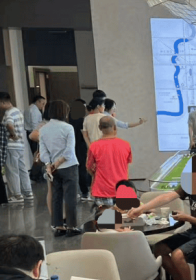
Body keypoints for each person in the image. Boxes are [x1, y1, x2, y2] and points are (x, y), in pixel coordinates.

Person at [40, 100, 83, 237]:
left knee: (56, 197)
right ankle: (71, 226)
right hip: (68, 166)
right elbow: (69, 151)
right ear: (64, 112)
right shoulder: (68, 127)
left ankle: (58, 226)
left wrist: (49, 165)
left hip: (53, 168)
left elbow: (43, 151)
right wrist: (58, 163)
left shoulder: (43, 129)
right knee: (70, 197)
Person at [0, 92, 33, 203]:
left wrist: (13, 134)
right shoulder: (18, 111)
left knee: (12, 171)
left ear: (3, 102)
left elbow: (9, 125)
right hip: (20, 146)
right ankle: (28, 192)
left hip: (11, 146)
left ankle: (17, 195)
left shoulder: (9, 113)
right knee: (22, 169)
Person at [86, 117, 133, 208]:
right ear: (114, 127)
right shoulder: (126, 145)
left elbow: (89, 167)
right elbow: (127, 164)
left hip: (101, 191)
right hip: (122, 190)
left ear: (100, 128)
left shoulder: (94, 146)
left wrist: (95, 174)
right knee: (123, 216)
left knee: (104, 217)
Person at [69, 99, 92, 202]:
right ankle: (85, 192)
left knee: (74, 169)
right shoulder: (83, 121)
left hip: (71, 147)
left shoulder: (69, 119)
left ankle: (77, 192)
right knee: (83, 169)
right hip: (81, 146)